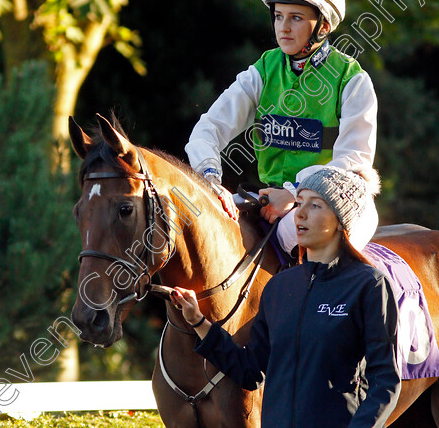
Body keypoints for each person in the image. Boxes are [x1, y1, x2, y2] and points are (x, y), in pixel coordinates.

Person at [170, 166, 400, 427]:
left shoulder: (370, 285)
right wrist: (199, 322)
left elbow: (385, 382)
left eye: (315, 206)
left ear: (341, 219)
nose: (299, 213)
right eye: (299, 202)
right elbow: (250, 371)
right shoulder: (279, 287)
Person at [185, 0, 377, 256]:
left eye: (296, 18)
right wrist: (211, 179)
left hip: (334, 202)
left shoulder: (352, 80)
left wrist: (294, 193)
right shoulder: (261, 71)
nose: (283, 28)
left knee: (288, 237)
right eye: (278, 17)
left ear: (323, 26)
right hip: (270, 198)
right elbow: (208, 129)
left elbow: (352, 160)